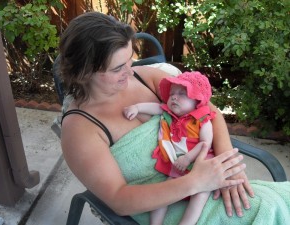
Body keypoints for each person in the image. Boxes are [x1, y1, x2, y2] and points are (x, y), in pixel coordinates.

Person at [59, 11, 290, 225]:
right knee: (267, 211)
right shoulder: (80, 129)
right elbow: (119, 199)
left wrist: (229, 167)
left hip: (209, 180)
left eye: (131, 59)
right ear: (84, 72)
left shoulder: (145, 78)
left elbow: (209, 112)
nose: (130, 72)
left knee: (275, 203)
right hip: (169, 208)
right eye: (118, 68)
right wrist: (196, 182)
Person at [124, 71, 216, 225]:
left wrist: (188, 158)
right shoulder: (170, 113)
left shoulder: (202, 120)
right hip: (179, 166)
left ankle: (186, 222)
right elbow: (155, 107)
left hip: (199, 163)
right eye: (172, 93)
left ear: (197, 100)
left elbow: (205, 144)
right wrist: (137, 108)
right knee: (165, 190)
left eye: (182, 93)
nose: (174, 97)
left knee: (201, 193)